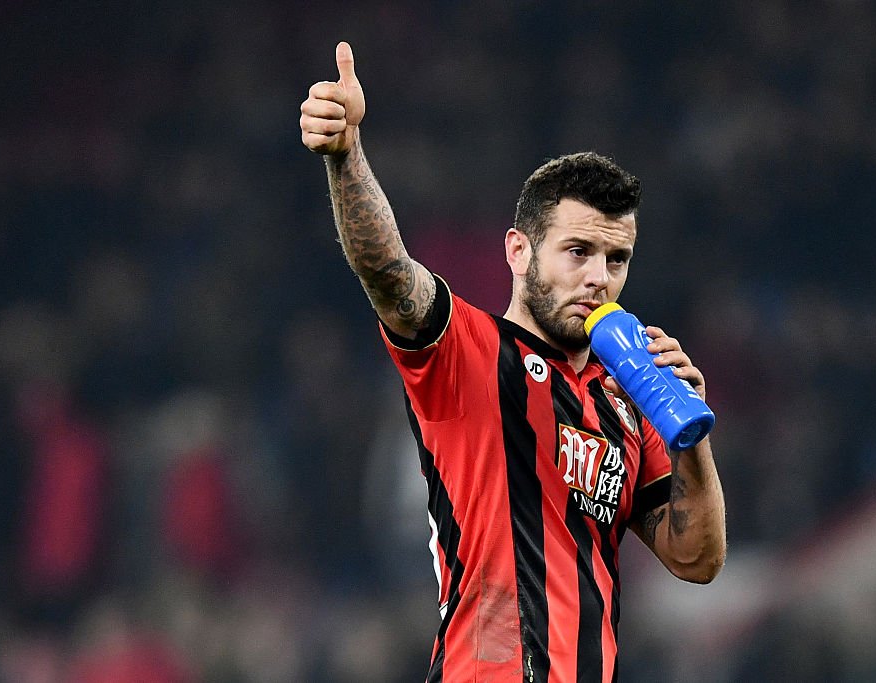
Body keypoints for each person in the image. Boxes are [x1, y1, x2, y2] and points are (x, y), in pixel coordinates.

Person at [299, 42, 726, 683]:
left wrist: (688, 432)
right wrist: (346, 156)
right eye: (577, 252)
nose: (599, 278)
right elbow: (387, 270)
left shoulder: (627, 402)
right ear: (519, 251)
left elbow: (696, 559)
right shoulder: (466, 350)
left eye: (616, 259)